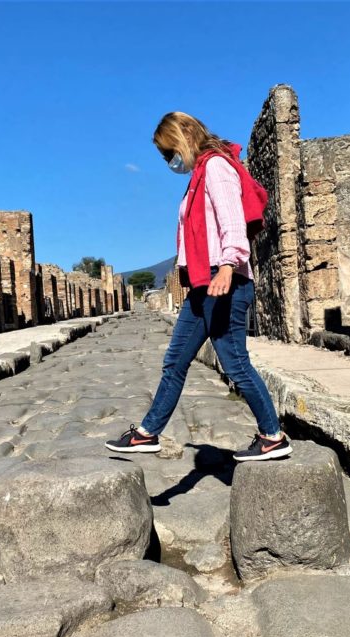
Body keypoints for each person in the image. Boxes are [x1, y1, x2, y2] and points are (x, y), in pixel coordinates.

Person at [106, 111, 292, 462]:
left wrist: (227, 266)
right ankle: (147, 433)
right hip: (201, 285)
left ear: (185, 137)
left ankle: (273, 436)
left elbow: (232, 222)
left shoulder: (217, 168)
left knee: (235, 363)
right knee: (174, 361)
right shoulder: (199, 175)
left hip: (223, 281)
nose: (168, 161)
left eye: (169, 151)